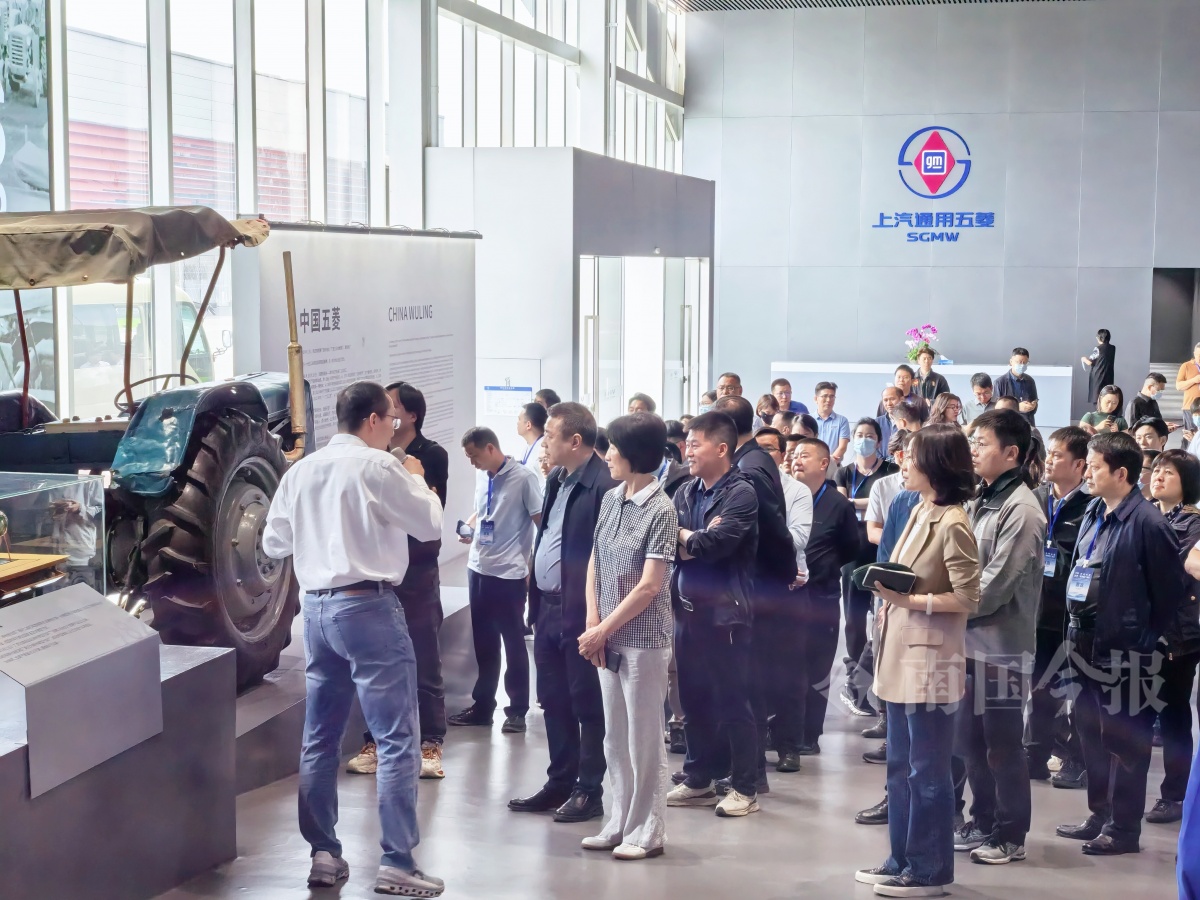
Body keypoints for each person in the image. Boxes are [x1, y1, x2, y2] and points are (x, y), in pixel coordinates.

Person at [262, 381, 445, 896]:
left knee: (320, 737)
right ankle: (398, 861)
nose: (394, 428)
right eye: (391, 420)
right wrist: (418, 478)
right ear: (372, 420)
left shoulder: (301, 471)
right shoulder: (381, 466)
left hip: (317, 611)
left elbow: (274, 542)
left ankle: (324, 854)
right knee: (396, 738)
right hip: (369, 608)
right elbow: (430, 524)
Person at [854, 426, 980, 898]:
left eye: (912, 457)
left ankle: (930, 871)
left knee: (927, 771)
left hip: (930, 659)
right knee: (900, 766)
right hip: (900, 650)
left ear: (936, 465)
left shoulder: (954, 522)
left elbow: (968, 596)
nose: (903, 464)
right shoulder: (919, 509)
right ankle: (901, 858)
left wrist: (912, 601)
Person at [1055, 432, 1185, 856]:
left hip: (1125, 649)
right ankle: (1100, 814)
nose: (1087, 473)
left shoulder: (1148, 523)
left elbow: (1170, 591)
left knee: (1125, 742)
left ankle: (1124, 829)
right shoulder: (1095, 510)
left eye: (1095, 467)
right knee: (1090, 734)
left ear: (1121, 473)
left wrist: (1146, 640)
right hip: (1083, 640)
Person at [576, 413, 678, 860]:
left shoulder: (662, 509)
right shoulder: (611, 498)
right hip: (606, 636)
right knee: (614, 737)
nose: (607, 455)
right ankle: (618, 821)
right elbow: (595, 562)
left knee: (644, 738)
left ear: (634, 453)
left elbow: (650, 585)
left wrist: (603, 629)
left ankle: (647, 830)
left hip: (644, 639)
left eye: (614, 447)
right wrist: (593, 623)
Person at [509, 403, 616, 823]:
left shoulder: (605, 485)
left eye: (550, 436)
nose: (543, 443)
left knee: (586, 703)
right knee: (553, 701)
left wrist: (597, 619)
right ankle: (560, 782)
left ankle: (589, 790)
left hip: (582, 613)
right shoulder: (556, 477)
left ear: (575, 440)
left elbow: (609, 559)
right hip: (547, 609)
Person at [951, 410, 1045, 865]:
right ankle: (983, 820)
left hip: (1002, 649)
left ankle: (1011, 834)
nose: (973, 450)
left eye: (981, 442)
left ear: (1011, 452)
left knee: (1003, 744)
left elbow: (996, 583)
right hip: (969, 643)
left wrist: (944, 606)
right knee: (970, 740)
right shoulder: (980, 498)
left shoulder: (1022, 509)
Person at [347, 382, 451, 781]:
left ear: (410, 415)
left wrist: (414, 480)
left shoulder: (430, 455)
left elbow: (429, 514)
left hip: (418, 571)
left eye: (394, 407)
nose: (388, 415)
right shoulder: (372, 459)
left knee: (425, 658)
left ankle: (431, 743)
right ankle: (374, 741)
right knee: (377, 663)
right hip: (379, 572)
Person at [665, 411, 762, 818]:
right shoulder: (686, 491)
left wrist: (692, 539)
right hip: (687, 611)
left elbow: (717, 544)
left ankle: (745, 788)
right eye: (687, 443)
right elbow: (666, 542)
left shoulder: (741, 493)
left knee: (732, 700)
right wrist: (693, 538)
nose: (687, 450)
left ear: (721, 448)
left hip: (726, 615)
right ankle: (698, 778)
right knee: (693, 698)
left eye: (695, 444)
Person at [714, 395, 799, 791]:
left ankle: (751, 774)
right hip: (757, 585)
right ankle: (740, 768)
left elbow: (775, 530)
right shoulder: (753, 459)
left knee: (748, 682)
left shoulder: (750, 467)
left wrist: (783, 575)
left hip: (756, 587)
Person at [450, 427, 543, 732]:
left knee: (513, 644)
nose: (472, 462)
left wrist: (533, 568)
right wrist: (470, 527)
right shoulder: (483, 476)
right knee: (484, 644)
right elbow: (482, 511)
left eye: (474, 455)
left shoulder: (524, 478)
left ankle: (517, 710)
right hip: (478, 568)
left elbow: (540, 524)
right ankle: (483, 707)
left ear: (490, 448)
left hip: (508, 574)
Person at [1026, 427, 1091, 791]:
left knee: (1077, 691)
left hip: (1075, 615)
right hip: (1038, 612)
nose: (1048, 460)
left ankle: (1078, 760)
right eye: (1048, 453)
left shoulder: (1091, 506)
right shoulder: (1035, 498)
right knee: (1040, 689)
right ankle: (1034, 755)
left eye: (1057, 455)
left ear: (1080, 465)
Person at [790, 437, 859, 753]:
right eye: (794, 455)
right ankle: (784, 732)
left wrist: (824, 567)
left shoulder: (838, 504)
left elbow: (850, 549)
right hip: (787, 597)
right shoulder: (786, 497)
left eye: (804, 455)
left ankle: (809, 735)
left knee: (817, 666)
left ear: (823, 464)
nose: (796, 460)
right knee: (787, 665)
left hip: (822, 596)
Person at [1146, 450, 1200, 825]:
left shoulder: (1192, 524)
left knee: (1173, 714)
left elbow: (1172, 569)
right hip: (1146, 630)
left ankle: (1175, 795)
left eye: (1169, 472)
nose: (1159, 476)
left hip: (1178, 633)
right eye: (1157, 470)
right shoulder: (1149, 515)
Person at [836, 418, 897, 717]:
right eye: (859, 435)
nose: (864, 440)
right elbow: (841, 504)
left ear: (879, 440)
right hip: (852, 549)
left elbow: (887, 506)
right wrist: (868, 502)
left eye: (869, 435)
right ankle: (856, 671)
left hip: (881, 549)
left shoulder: (890, 472)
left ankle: (874, 675)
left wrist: (856, 502)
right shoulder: (844, 471)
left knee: (883, 617)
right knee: (854, 618)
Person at [995, 348, 1039, 426]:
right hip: (1008, 424)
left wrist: (1033, 406)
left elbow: (1034, 400)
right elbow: (996, 408)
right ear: (1011, 362)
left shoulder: (1030, 380)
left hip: (1027, 424)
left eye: (1024, 363)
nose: (1022, 365)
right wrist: (1017, 407)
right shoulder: (1000, 382)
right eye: (1019, 362)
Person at [813, 381, 850, 465]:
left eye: (832, 396)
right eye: (825, 396)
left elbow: (842, 447)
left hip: (834, 466)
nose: (828, 400)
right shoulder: (808, 419)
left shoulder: (842, 420)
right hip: (811, 465)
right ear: (816, 399)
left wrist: (828, 463)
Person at [517, 402, 548, 489]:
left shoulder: (544, 448)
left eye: (519, 419)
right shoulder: (527, 447)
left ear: (528, 425)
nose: (517, 423)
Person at [1081, 329, 1116, 405]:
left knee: (1097, 400)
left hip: (1098, 377)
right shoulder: (1113, 348)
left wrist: (1083, 358)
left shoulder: (1098, 349)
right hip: (1108, 377)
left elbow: (1090, 362)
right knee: (1106, 397)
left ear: (1099, 337)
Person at [1178, 343, 1200, 437]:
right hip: (1190, 407)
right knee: (1190, 435)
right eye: (1198, 355)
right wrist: (1194, 380)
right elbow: (1179, 386)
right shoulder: (1186, 366)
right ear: (1194, 353)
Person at [877, 386, 902, 456]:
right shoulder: (877, 422)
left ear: (902, 399)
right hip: (880, 462)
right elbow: (873, 448)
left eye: (892, 399)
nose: (889, 404)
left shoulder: (909, 422)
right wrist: (882, 462)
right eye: (885, 400)